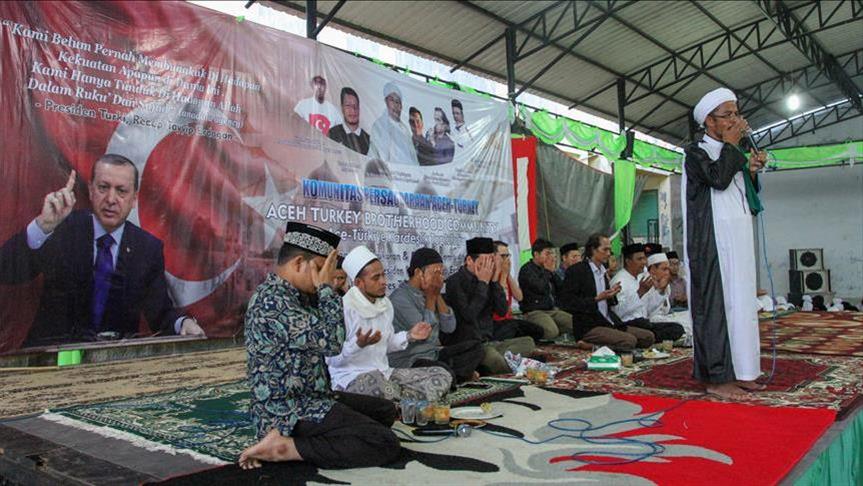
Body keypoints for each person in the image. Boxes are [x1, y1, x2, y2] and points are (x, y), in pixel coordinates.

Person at [240, 223, 400, 470]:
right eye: (319, 269)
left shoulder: (300, 296)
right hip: (289, 409)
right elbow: (332, 342)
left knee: (385, 410)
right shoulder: (272, 301)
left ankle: (324, 439)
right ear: (298, 263)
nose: (325, 278)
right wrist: (326, 289)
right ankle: (284, 447)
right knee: (384, 443)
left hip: (316, 395)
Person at [0, 155, 204, 347]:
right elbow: (7, 272)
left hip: (113, 361)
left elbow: (160, 312)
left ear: (134, 199)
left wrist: (183, 323)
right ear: (90, 191)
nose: (111, 199)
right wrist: (43, 226)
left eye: (121, 191)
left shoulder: (147, 249)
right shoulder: (61, 228)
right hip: (52, 357)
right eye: (103, 188)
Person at [684, 87, 767, 400]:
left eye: (736, 113)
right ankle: (716, 378)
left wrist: (751, 171)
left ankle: (743, 371)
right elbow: (717, 179)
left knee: (741, 304)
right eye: (727, 115)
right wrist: (734, 147)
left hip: (738, 239)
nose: (735, 120)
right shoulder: (696, 153)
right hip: (712, 243)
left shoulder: (734, 151)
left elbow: (741, 191)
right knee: (716, 308)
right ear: (709, 121)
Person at [326, 246, 451, 400]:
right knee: (378, 385)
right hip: (352, 378)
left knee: (442, 375)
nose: (384, 282)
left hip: (385, 373)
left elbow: (388, 343)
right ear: (359, 282)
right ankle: (402, 400)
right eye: (376, 278)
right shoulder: (342, 309)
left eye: (383, 275)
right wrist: (357, 345)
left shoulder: (385, 305)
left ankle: (397, 400)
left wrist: (409, 336)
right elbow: (331, 360)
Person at [388, 248, 484, 383]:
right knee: (443, 370)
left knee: (476, 348)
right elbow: (427, 335)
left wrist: (437, 295)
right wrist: (431, 297)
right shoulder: (400, 298)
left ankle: (455, 375)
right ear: (418, 273)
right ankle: (458, 375)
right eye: (435, 273)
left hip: (433, 354)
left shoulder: (430, 292)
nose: (440, 278)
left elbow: (449, 327)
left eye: (441, 273)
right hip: (410, 360)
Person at [442, 237, 535, 375]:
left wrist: (495, 280)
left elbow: (502, 310)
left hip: (490, 340)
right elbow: (469, 316)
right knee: (495, 361)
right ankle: (508, 363)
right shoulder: (455, 282)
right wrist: (483, 284)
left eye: (491, 261)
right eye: (484, 262)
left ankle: (496, 363)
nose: (488, 267)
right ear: (469, 260)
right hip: (468, 344)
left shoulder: (490, 278)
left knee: (528, 342)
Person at [558, 233, 655, 351]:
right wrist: (596, 299)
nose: (608, 254)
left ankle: (615, 346)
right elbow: (567, 303)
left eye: (609, 250)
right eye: (605, 250)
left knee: (648, 337)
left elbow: (608, 304)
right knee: (629, 341)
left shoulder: (603, 272)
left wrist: (612, 294)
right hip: (589, 325)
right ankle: (593, 346)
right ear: (593, 250)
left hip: (608, 321)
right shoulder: (577, 271)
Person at [610, 245, 685, 343]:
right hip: (627, 324)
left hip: (644, 322)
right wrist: (640, 293)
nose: (644, 262)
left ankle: (645, 339)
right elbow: (617, 312)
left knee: (677, 328)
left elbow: (648, 309)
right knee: (648, 330)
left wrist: (660, 290)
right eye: (639, 259)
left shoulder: (640, 278)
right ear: (628, 261)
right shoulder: (620, 281)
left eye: (644, 258)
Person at [518, 238, 573, 340]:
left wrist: (552, 272)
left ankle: (555, 329)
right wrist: (548, 271)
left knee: (576, 323)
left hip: (552, 309)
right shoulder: (526, 270)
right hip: (534, 311)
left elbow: (562, 289)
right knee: (551, 332)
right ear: (536, 254)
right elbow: (540, 288)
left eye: (551, 253)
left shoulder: (547, 269)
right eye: (547, 254)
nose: (550, 257)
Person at [491, 240, 545, 342]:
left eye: (508, 256)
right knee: (514, 331)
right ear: (493, 257)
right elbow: (501, 306)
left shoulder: (505, 275)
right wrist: (503, 276)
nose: (506, 259)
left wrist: (508, 275)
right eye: (503, 256)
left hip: (508, 320)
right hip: (496, 322)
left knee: (538, 331)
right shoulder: (491, 276)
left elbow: (519, 297)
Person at [368, 82, 418, 165]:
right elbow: (374, 155)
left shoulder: (404, 129)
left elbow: (413, 158)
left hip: (408, 172)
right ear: (386, 102)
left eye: (398, 102)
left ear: (401, 106)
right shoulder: (379, 126)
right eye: (392, 100)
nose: (395, 105)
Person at [328, 87, 370, 155]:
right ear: (342, 108)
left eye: (355, 105)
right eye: (348, 106)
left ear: (359, 108)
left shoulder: (368, 140)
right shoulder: (332, 134)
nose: (353, 110)